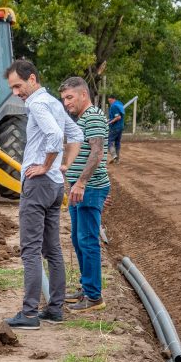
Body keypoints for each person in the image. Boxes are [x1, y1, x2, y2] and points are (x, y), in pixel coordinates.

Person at [3, 59, 82, 330]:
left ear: (32, 79)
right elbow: (75, 134)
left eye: (18, 85)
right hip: (54, 185)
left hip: (38, 185)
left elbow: (54, 135)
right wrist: (63, 166)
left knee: (31, 250)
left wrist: (47, 164)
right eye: (12, 87)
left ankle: (29, 314)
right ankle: (55, 308)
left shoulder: (37, 103)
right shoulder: (54, 103)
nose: (16, 92)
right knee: (52, 249)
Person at [59, 77, 111, 312]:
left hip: (89, 189)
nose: (66, 102)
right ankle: (86, 287)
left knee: (88, 241)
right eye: (64, 99)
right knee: (78, 241)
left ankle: (94, 297)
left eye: (69, 97)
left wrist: (81, 182)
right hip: (78, 189)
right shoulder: (80, 119)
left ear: (83, 95)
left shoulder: (94, 117)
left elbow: (97, 153)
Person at [107, 95, 125, 163]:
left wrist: (109, 123)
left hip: (115, 127)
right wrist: (109, 120)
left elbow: (118, 117)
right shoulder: (119, 104)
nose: (110, 103)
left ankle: (114, 155)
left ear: (113, 99)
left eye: (110, 101)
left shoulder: (114, 106)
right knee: (117, 143)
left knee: (109, 141)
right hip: (121, 126)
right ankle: (117, 160)